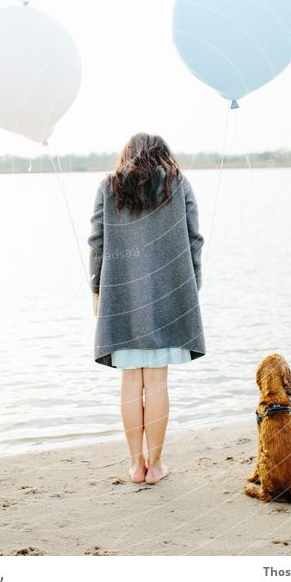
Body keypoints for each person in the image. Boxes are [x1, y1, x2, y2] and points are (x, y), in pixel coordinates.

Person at [88, 132, 205, 484]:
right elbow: (194, 239)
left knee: (130, 381)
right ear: (163, 155)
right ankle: (155, 466)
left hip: (120, 296)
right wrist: (191, 288)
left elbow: (97, 241)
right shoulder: (178, 184)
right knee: (156, 382)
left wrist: (96, 291)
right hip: (169, 294)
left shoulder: (109, 187)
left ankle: (135, 465)